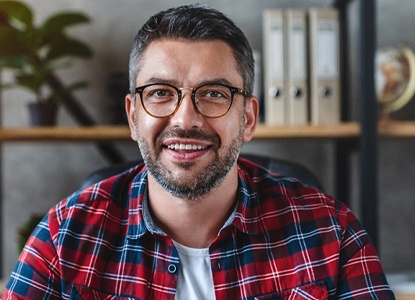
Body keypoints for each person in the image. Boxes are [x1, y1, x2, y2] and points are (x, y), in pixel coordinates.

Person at [2, 4, 394, 299]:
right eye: (160, 93)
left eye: (213, 94)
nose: (185, 119)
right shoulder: (62, 239)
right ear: (133, 115)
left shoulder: (331, 233)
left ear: (249, 118)